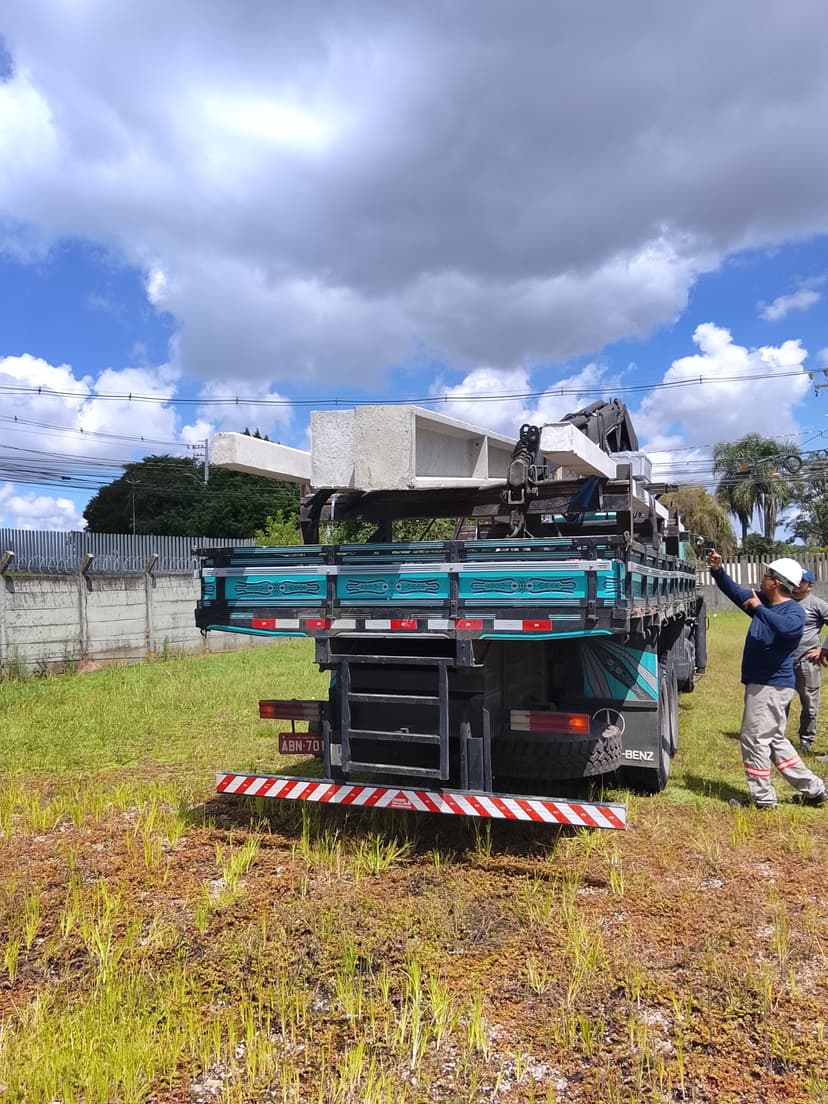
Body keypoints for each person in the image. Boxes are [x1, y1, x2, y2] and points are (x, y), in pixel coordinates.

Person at [706, 551, 827, 808]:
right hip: (762, 684)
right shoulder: (764, 603)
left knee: (753, 738)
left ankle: (763, 799)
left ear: (776, 582)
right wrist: (717, 570)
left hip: (771, 686)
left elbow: (787, 629)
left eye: (765, 576)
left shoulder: (793, 611)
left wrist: (759, 608)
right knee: (773, 740)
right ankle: (814, 789)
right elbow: (735, 592)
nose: (761, 580)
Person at [790, 569, 828, 755]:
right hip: (782, 661)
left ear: (810, 586)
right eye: (795, 581)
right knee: (778, 701)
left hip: (807, 662)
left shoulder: (817, 605)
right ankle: (774, 736)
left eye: (801, 582)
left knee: (810, 703)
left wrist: (823, 649)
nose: (796, 585)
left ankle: (806, 740)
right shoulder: (783, 600)